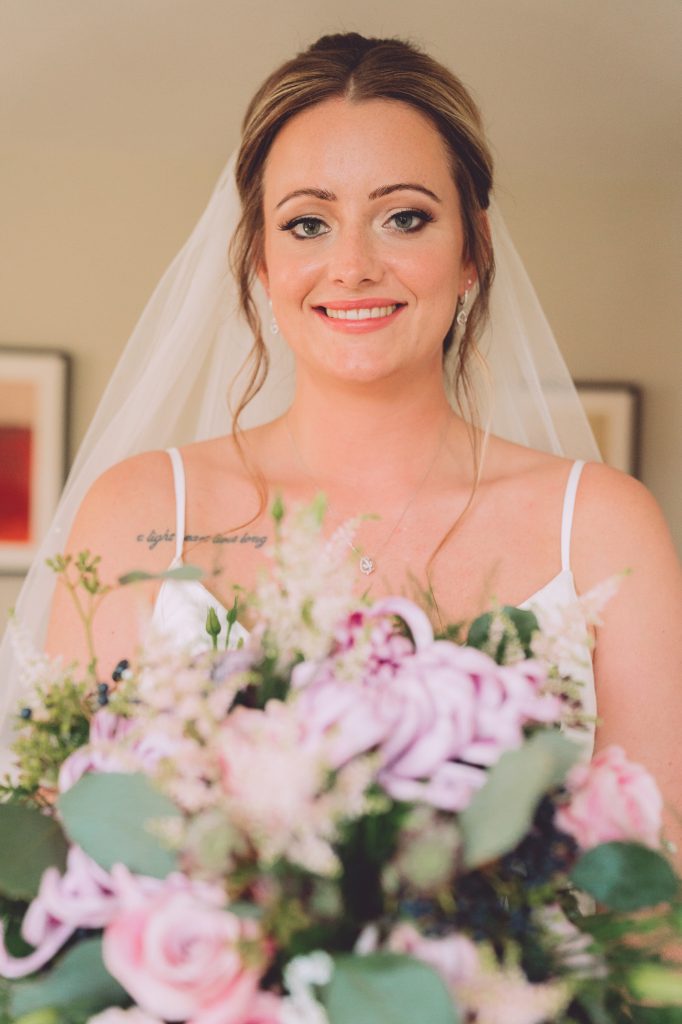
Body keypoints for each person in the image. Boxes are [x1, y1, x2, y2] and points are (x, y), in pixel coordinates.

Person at [3, 34, 681, 850]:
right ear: (259, 256)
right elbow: (61, 857)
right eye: (308, 223)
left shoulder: (603, 526)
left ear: (474, 249)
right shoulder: (140, 511)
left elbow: (657, 890)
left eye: (404, 218)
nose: (352, 265)